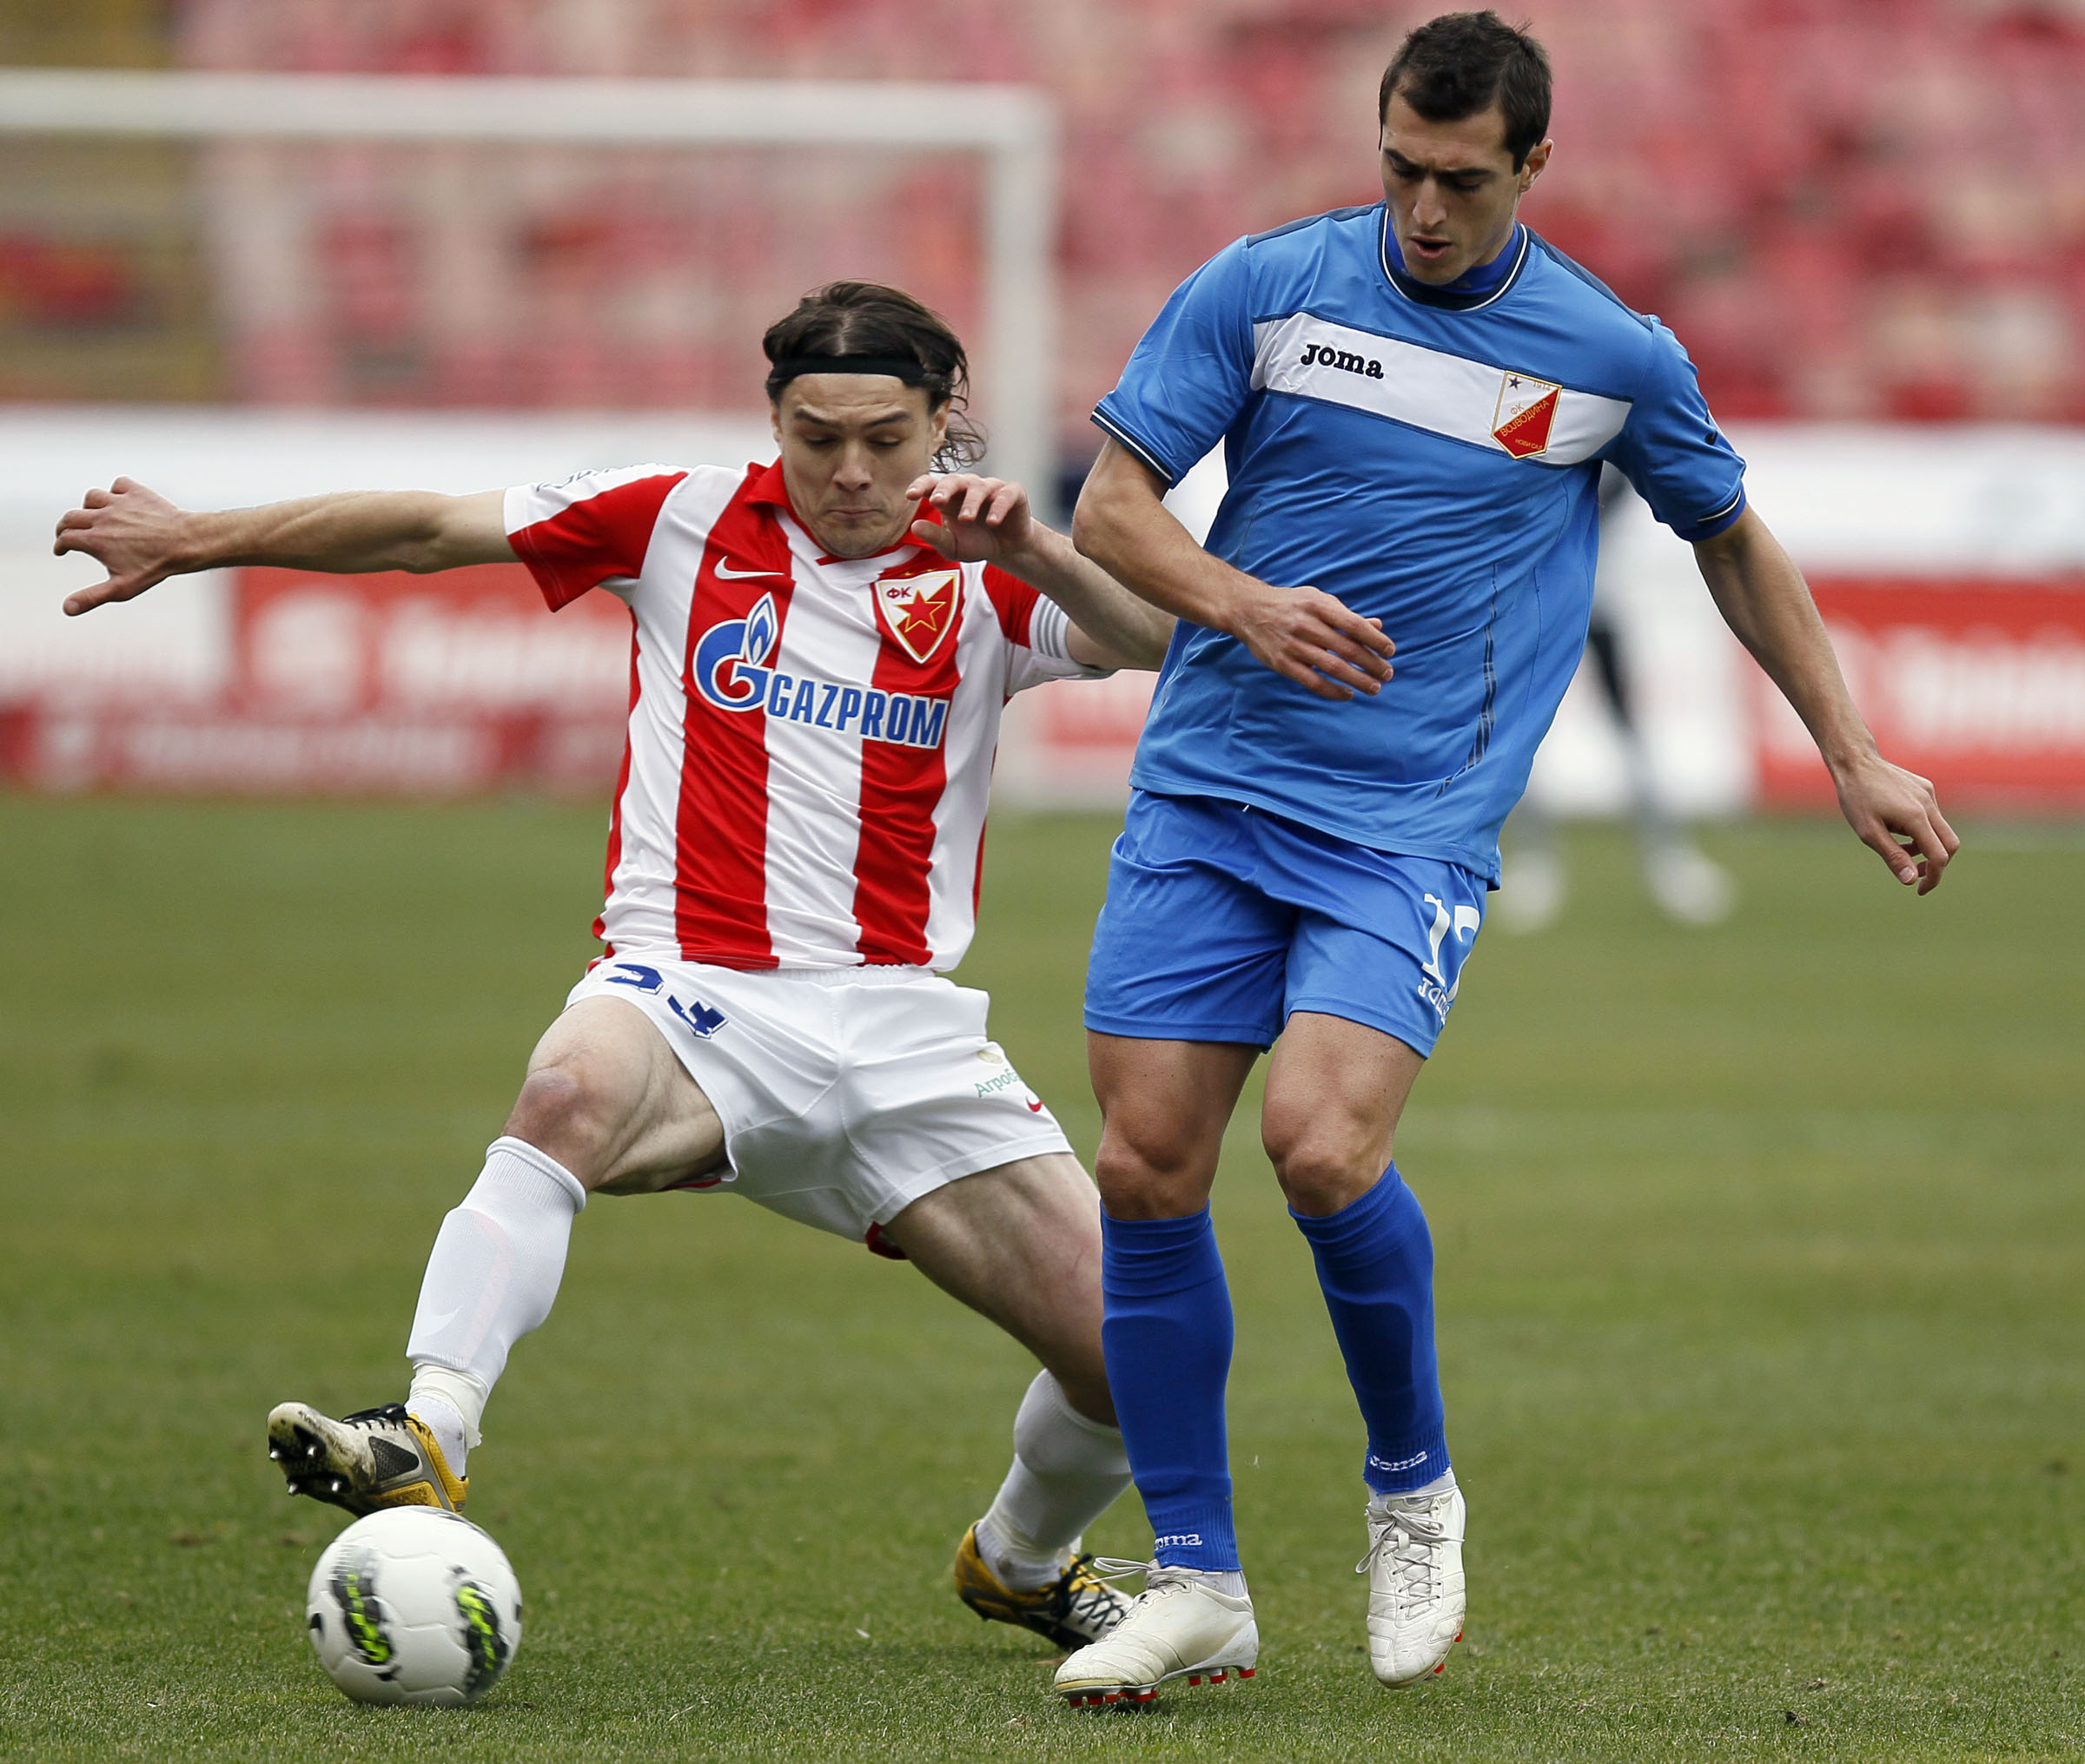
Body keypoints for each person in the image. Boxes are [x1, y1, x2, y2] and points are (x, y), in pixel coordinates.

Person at [52, 281, 1177, 1656]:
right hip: (695, 996)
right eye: (815, 435)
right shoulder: (677, 516)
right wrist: (195, 536)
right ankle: (428, 1426)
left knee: (1141, 1360)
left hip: (908, 1037)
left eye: (885, 436)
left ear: (945, 421)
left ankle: (1020, 1558)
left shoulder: (991, 571)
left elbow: (1159, 641)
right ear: (773, 420)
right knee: (564, 1095)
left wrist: (1045, 551)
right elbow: (426, 530)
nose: (849, 471)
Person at [1050, 11, 1958, 1708]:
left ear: (1532, 168)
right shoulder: (1269, 285)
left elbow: (1732, 537)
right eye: (1401, 165)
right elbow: (1114, 507)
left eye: (1462, 179)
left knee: (1321, 1146)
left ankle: (1412, 1489)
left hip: (1409, 821)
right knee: (1147, 1164)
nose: (1423, 207)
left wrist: (1849, 750)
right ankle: (1198, 1581)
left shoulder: (1611, 355)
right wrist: (1242, 604)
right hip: (1209, 791)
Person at [1497, 466, 1738, 933]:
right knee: (1525, 730)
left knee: (1626, 728)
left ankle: (1668, 858)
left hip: (1597, 601)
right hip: (1536, 604)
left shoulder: (1613, 454)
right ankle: (1533, 859)